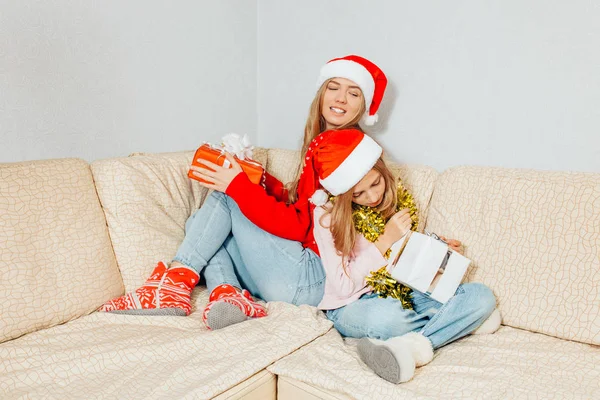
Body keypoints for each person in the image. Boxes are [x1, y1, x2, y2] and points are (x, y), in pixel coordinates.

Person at [99, 55, 391, 330]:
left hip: (311, 277)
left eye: (353, 93)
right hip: (297, 280)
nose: (340, 98)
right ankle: (227, 293)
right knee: (202, 227)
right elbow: (304, 205)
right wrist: (259, 179)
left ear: (362, 106)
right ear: (321, 93)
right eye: (334, 87)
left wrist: (237, 186)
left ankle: (174, 284)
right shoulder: (325, 142)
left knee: (226, 196)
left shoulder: (344, 149)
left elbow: (299, 226)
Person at [306, 129, 499, 384]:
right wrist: (385, 239)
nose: (372, 197)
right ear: (343, 194)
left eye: (375, 184)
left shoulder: (394, 197)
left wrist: (438, 251)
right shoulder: (327, 216)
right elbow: (343, 286)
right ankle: (454, 324)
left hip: (398, 291)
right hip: (351, 305)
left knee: (481, 296)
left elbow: (403, 258)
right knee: (390, 319)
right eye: (358, 194)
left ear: (383, 171)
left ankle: (411, 347)